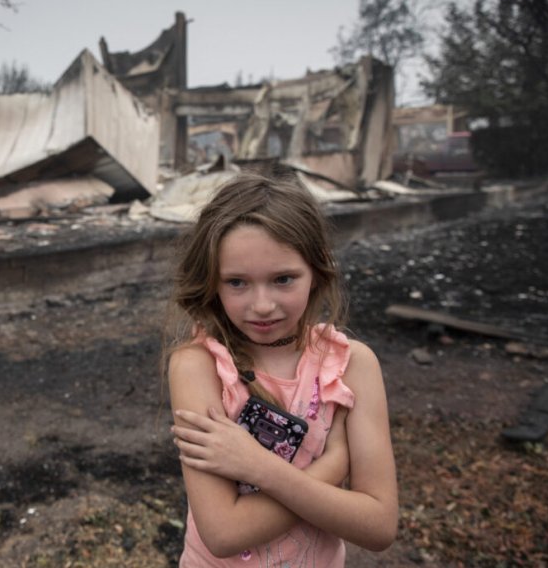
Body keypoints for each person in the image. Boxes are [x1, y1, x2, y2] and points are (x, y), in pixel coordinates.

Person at [165, 171, 398, 567]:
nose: (261, 305)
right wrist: (333, 465)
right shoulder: (198, 367)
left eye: (283, 279)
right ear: (212, 283)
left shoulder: (352, 365)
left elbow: (379, 527)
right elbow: (223, 533)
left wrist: (258, 466)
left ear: (317, 273)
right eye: (237, 282)